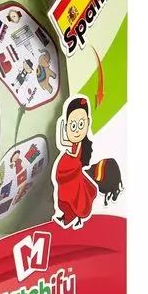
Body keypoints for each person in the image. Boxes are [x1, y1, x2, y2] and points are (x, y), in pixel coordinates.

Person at [52, 96, 98, 229]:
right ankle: (66, 214)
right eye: (73, 126)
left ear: (88, 122)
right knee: (64, 193)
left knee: (72, 195)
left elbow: (74, 154)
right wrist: (62, 127)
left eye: (81, 125)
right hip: (65, 169)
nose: (77, 130)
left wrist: (68, 153)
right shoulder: (72, 141)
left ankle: (72, 216)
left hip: (72, 170)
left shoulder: (79, 144)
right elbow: (63, 142)